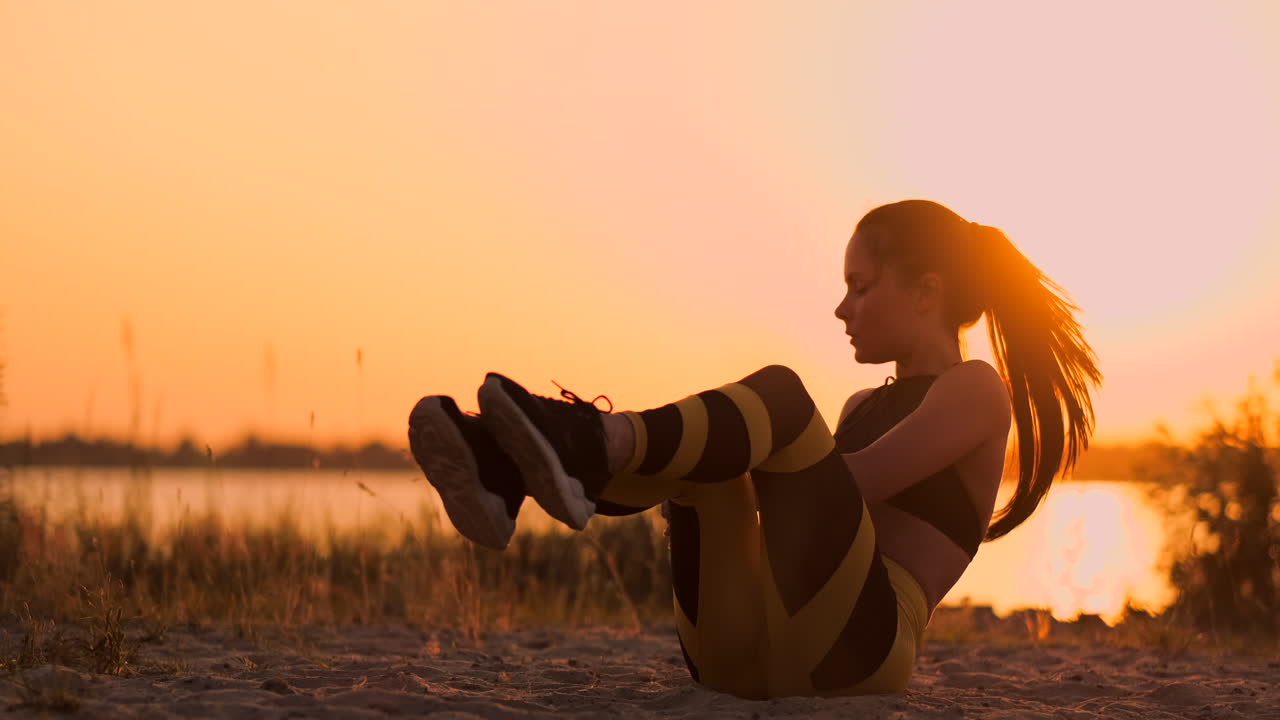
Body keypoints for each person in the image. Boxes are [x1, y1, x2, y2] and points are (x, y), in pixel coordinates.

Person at [407, 199, 1101, 699]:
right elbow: (796, 514)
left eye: (860, 288)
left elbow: (846, 489)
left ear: (927, 294)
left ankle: (585, 445)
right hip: (740, 659)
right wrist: (704, 467)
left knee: (776, 400)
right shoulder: (860, 405)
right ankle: (513, 470)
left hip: (857, 655)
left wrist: (734, 445)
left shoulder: (976, 389)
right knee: (722, 460)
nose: (842, 309)